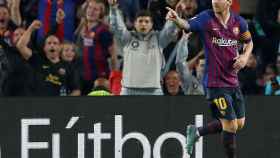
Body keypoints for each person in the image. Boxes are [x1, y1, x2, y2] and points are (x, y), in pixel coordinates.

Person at [166, 0, 253, 157]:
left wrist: (245, 57)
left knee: (239, 123)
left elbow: (249, 42)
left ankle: (197, 132)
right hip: (215, 83)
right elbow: (186, 25)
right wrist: (176, 19)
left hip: (233, 81)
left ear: (228, 2)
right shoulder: (206, 18)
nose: (214, 1)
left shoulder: (239, 22)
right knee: (231, 125)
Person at [108, 0, 179, 95]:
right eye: (140, 21)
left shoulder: (159, 39)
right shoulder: (127, 38)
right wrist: (113, 9)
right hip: (129, 90)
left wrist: (174, 18)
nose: (143, 24)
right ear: (135, 24)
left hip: (153, 91)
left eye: (146, 21)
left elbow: (169, 31)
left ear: (152, 24)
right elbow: (117, 27)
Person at [16, 20, 81, 96]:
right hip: (38, 104)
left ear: (60, 48)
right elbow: (20, 46)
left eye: (55, 43)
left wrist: (65, 103)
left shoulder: (69, 67)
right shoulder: (37, 60)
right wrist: (31, 28)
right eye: (49, 43)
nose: (52, 45)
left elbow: (76, 91)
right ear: (44, 48)